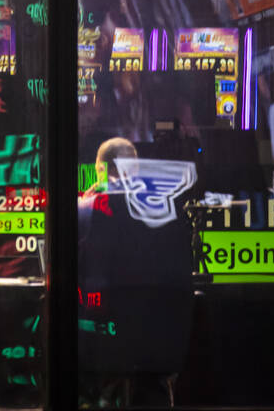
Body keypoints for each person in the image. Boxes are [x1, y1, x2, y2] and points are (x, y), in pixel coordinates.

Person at [78, 138, 194, 407]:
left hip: (102, 341)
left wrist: (88, 198)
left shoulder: (89, 208)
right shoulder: (164, 209)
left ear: (103, 171)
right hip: (153, 343)